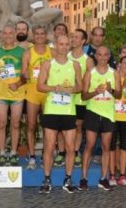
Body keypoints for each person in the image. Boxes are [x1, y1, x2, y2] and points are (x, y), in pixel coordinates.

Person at [37, 34, 82, 193]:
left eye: (66, 44)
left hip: (68, 111)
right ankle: (47, 179)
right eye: (60, 44)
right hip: (51, 110)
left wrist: (71, 89)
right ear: (56, 45)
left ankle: (68, 179)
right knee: (49, 146)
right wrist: (55, 88)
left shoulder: (75, 65)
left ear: (70, 45)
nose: (63, 47)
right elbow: (40, 86)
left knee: (70, 147)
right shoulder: (47, 64)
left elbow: (80, 87)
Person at [81, 45, 121, 190]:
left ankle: (103, 178)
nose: (103, 57)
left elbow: (119, 95)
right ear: (95, 56)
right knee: (90, 145)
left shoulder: (114, 73)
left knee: (106, 147)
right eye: (100, 54)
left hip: (108, 114)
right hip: (93, 112)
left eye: (105, 55)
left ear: (109, 57)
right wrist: (95, 92)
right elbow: (83, 96)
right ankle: (83, 178)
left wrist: (111, 91)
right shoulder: (90, 73)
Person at [0, 24, 26, 165]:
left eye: (10, 33)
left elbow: (26, 75)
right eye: (5, 33)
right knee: (1, 124)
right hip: (1, 93)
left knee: (16, 124)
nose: (8, 36)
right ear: (1, 35)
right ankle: (3, 151)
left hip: (17, 93)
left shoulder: (22, 52)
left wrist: (17, 84)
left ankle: (13, 152)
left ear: (15, 34)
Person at [22, 25, 52, 169]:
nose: (40, 36)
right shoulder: (28, 53)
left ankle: (48, 153)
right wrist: (25, 74)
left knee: (48, 126)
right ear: (33, 36)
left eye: (42, 33)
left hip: (47, 92)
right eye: (37, 34)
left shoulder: (52, 52)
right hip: (33, 91)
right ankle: (32, 156)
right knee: (31, 125)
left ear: (46, 36)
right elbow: (23, 74)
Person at [67, 29, 94, 166]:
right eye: (72, 37)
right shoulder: (65, 56)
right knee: (63, 128)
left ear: (83, 41)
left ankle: (76, 152)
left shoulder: (88, 60)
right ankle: (63, 152)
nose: (73, 40)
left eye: (77, 37)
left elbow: (90, 82)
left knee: (78, 127)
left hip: (80, 100)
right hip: (65, 99)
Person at [110, 55, 126, 186]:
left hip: (125, 117)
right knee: (111, 146)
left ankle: (122, 175)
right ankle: (112, 175)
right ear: (119, 64)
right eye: (124, 63)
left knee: (124, 146)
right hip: (113, 117)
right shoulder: (113, 77)